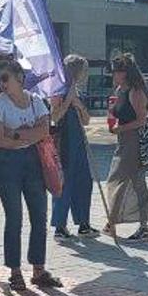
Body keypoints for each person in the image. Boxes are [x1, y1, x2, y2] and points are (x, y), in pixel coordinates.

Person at [0, 58, 62, 290]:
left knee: (39, 215)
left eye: (5, 78)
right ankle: (15, 270)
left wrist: (17, 134)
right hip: (8, 164)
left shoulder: (36, 101)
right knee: (14, 217)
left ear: (19, 78)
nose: (1, 84)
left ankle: (38, 268)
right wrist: (27, 135)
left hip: (33, 161)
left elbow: (44, 131)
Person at [50, 55, 100, 240]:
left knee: (84, 181)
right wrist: (67, 100)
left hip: (79, 142)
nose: (84, 75)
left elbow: (86, 120)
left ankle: (83, 223)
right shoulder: (58, 90)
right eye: (83, 70)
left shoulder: (76, 91)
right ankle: (60, 226)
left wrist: (79, 105)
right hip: (64, 141)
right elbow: (54, 116)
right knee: (64, 182)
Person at [103, 53, 148, 241]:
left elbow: (141, 120)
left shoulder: (135, 91)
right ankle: (115, 222)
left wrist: (120, 128)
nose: (113, 75)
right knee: (123, 181)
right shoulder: (120, 89)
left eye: (116, 71)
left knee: (125, 180)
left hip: (134, 140)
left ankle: (132, 224)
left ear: (125, 73)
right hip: (123, 139)